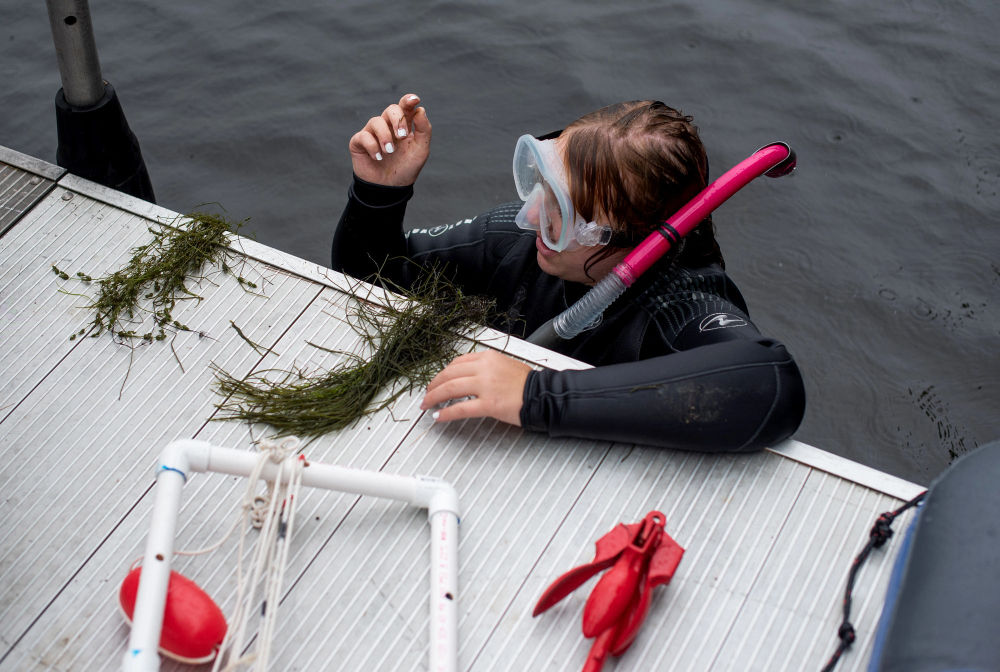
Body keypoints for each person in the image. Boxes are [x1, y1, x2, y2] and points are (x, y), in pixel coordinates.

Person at [331, 94, 805, 452]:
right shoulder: (520, 243)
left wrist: (535, 395)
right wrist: (379, 195)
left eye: (563, 210)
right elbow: (372, 279)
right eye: (541, 184)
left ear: (627, 242)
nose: (533, 216)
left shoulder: (678, 302)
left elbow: (770, 383)